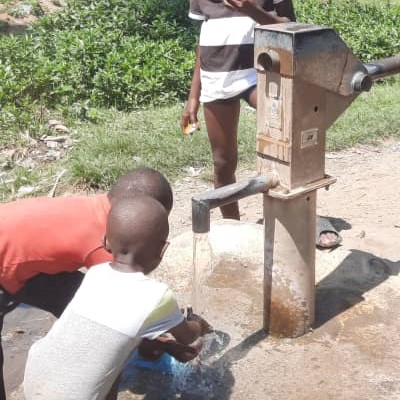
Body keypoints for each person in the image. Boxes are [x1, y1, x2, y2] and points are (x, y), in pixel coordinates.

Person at [0, 166, 174, 399]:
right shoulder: (104, 245)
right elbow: (120, 318)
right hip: (6, 267)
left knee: (76, 296)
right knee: (108, 331)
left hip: (18, 257)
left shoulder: (95, 210)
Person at [181, 0, 342, 248]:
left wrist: (250, 10)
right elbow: (203, 42)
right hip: (217, 79)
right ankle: (233, 230)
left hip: (261, 73)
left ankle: (306, 220)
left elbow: (293, 29)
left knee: (289, 143)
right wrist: (193, 96)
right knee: (223, 162)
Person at [23, 196, 211, 400]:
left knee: (112, 358)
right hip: (75, 395)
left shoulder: (96, 274)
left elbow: (112, 332)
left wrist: (163, 344)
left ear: (105, 241)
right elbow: (188, 337)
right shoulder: (157, 296)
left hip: (36, 378)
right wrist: (198, 325)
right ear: (162, 250)